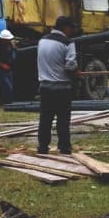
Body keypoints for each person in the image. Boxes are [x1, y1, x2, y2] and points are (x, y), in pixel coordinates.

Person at [37, 16, 80, 154]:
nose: (72, 31)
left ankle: (42, 147)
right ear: (66, 28)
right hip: (62, 87)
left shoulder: (42, 40)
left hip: (44, 85)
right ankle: (64, 147)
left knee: (45, 119)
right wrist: (77, 73)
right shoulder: (68, 43)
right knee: (63, 119)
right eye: (71, 28)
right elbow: (70, 65)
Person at [0, 29, 17, 103]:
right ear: (3, 39)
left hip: (9, 69)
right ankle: (8, 101)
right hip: (2, 70)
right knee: (7, 86)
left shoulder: (9, 45)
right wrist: (2, 65)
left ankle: (9, 100)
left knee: (10, 86)